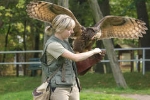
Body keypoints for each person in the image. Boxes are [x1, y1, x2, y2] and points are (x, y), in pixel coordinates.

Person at [42, 14, 102, 100]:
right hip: (59, 88)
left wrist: (90, 61)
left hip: (73, 85)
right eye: (70, 29)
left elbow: (74, 63)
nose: (72, 32)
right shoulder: (53, 45)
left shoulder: (66, 44)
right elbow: (75, 57)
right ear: (61, 28)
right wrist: (93, 52)